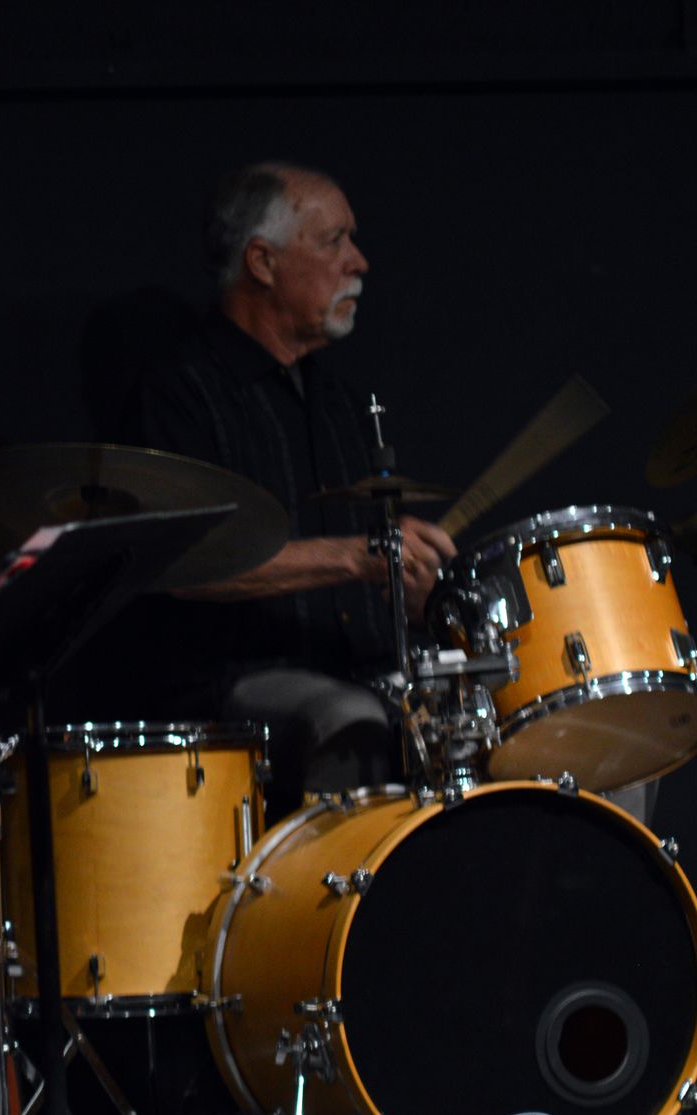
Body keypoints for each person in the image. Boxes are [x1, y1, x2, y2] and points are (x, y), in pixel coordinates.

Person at [71, 161, 457, 814]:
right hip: (232, 687)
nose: (359, 261)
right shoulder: (181, 392)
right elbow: (186, 564)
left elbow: (371, 571)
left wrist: (416, 592)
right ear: (263, 262)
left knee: (535, 714)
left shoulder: (339, 403)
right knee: (350, 720)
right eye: (334, 241)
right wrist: (360, 555)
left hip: (363, 671)